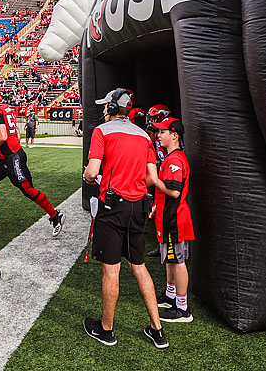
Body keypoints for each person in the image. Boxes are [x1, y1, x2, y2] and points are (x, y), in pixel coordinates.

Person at [83, 88, 168, 349]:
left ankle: (106, 330)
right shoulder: (144, 136)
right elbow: (151, 177)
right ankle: (157, 329)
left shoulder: (102, 131)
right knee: (139, 266)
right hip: (139, 207)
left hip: (113, 207)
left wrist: (90, 174)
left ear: (110, 108)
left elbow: (92, 172)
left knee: (111, 269)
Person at [0, 89, 65, 236]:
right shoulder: (5, 108)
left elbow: (2, 136)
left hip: (12, 158)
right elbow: (16, 130)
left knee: (28, 190)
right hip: (4, 158)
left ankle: (55, 215)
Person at [149, 117, 194, 323]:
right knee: (170, 258)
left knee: (177, 261)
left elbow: (174, 192)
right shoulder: (171, 157)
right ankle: (170, 296)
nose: (159, 136)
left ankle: (182, 308)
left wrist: (155, 180)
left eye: (162, 132)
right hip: (168, 216)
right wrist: (157, 205)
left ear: (174, 135)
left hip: (175, 219)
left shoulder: (175, 160)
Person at [144, 104, 171, 258]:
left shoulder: (171, 136)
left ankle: (172, 247)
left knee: (169, 213)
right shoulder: (154, 135)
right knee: (159, 211)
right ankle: (162, 245)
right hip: (160, 177)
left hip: (169, 178)